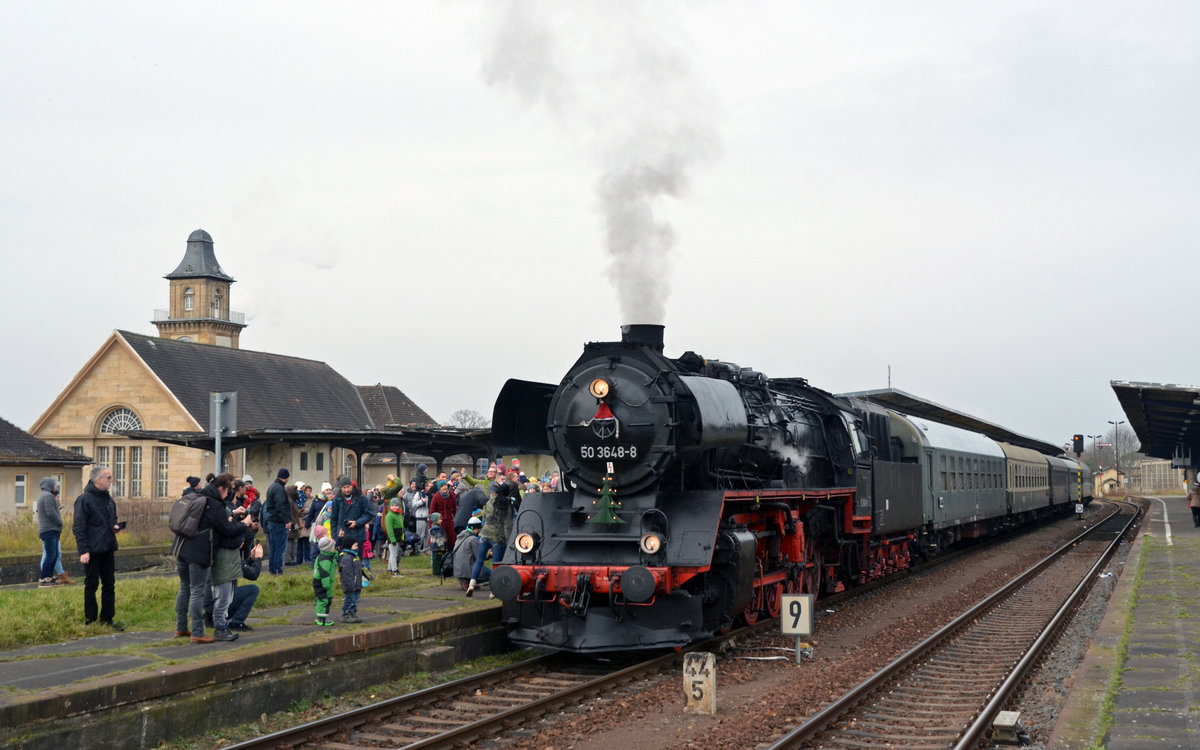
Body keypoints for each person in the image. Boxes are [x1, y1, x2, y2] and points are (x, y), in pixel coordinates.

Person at [174, 474, 253, 643]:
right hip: (198, 553)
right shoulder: (214, 504)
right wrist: (244, 524)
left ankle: (181, 627)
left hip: (181, 549)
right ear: (221, 489)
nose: (229, 495)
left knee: (184, 588)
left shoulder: (198, 496)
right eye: (228, 491)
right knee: (197, 591)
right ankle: (197, 632)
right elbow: (227, 529)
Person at [73, 466, 124, 630]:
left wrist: (114, 527)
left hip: (107, 546)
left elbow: (110, 519)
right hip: (92, 550)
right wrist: (83, 550)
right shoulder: (84, 500)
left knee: (109, 584)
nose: (111, 481)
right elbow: (79, 527)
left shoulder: (108, 499)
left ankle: (107, 619)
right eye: (108, 477)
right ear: (98, 480)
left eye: (111, 477)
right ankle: (91, 619)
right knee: (91, 584)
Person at [467, 483, 514, 597]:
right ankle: (493, 591)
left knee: (479, 560)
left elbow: (484, 517)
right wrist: (509, 542)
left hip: (484, 534)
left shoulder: (489, 502)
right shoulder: (507, 505)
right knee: (496, 565)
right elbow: (507, 526)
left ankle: (471, 584)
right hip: (498, 537)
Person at [329, 475, 372, 552]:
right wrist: (335, 538)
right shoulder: (336, 500)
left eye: (348, 487)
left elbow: (369, 514)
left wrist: (357, 522)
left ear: (352, 486)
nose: (346, 490)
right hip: (343, 535)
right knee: (344, 562)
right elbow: (333, 520)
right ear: (340, 488)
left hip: (358, 535)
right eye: (344, 488)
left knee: (357, 561)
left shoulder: (361, 497)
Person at [36, 477, 64, 588]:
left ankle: (49, 578)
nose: (56, 487)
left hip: (49, 529)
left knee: (54, 554)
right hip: (49, 530)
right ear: (49, 485)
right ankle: (43, 579)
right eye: (54, 485)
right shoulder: (48, 496)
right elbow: (50, 512)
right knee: (51, 555)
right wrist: (59, 521)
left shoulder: (43, 496)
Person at [264, 468, 292, 575]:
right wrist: (287, 520)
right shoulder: (280, 489)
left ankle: (272, 569)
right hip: (279, 522)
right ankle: (278, 570)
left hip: (271, 521)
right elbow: (280, 506)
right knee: (280, 548)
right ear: (286, 477)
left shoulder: (272, 487)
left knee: (273, 548)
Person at [453, 517, 489, 593]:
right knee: (492, 575)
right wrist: (489, 554)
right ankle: (469, 580)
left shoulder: (460, 537)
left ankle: (465, 580)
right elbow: (480, 556)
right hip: (467, 569)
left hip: (457, 569)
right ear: (477, 528)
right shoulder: (473, 539)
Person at [312, 532, 337, 627]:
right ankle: (321, 618)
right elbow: (324, 573)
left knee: (325, 599)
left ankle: (323, 616)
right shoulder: (325, 559)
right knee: (323, 600)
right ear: (328, 549)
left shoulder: (327, 556)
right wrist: (326, 584)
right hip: (322, 582)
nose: (334, 548)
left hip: (324, 582)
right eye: (333, 547)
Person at [339, 541, 365, 623]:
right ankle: (345, 614)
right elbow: (347, 573)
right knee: (349, 599)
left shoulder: (355, 556)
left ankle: (353, 612)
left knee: (355, 600)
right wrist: (350, 584)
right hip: (350, 584)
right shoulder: (347, 558)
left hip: (356, 583)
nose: (357, 547)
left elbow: (360, 569)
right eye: (355, 545)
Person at [429, 480, 458, 549]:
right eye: (442, 486)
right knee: (441, 538)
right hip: (440, 521)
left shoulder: (451, 495)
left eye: (445, 485)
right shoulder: (436, 497)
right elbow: (432, 512)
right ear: (439, 488)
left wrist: (456, 518)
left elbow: (454, 509)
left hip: (450, 520)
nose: (444, 487)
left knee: (452, 538)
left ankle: (452, 552)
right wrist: (431, 526)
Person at [428, 512, 448, 576]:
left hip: (435, 547)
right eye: (439, 519)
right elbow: (439, 538)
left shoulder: (435, 528)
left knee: (436, 560)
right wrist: (442, 546)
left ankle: (436, 572)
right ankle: (437, 573)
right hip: (437, 547)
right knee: (437, 561)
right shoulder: (437, 529)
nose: (441, 520)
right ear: (435, 520)